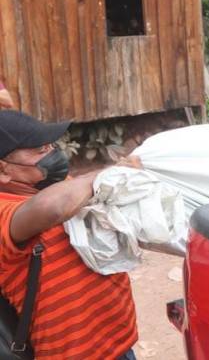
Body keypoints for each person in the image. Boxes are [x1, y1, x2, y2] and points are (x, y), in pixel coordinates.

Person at [0, 110, 138, 359]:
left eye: (51, 145)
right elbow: (52, 208)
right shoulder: (5, 208)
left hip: (119, 341)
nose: (53, 153)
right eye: (40, 150)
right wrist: (110, 172)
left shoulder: (54, 182)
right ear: (3, 171)